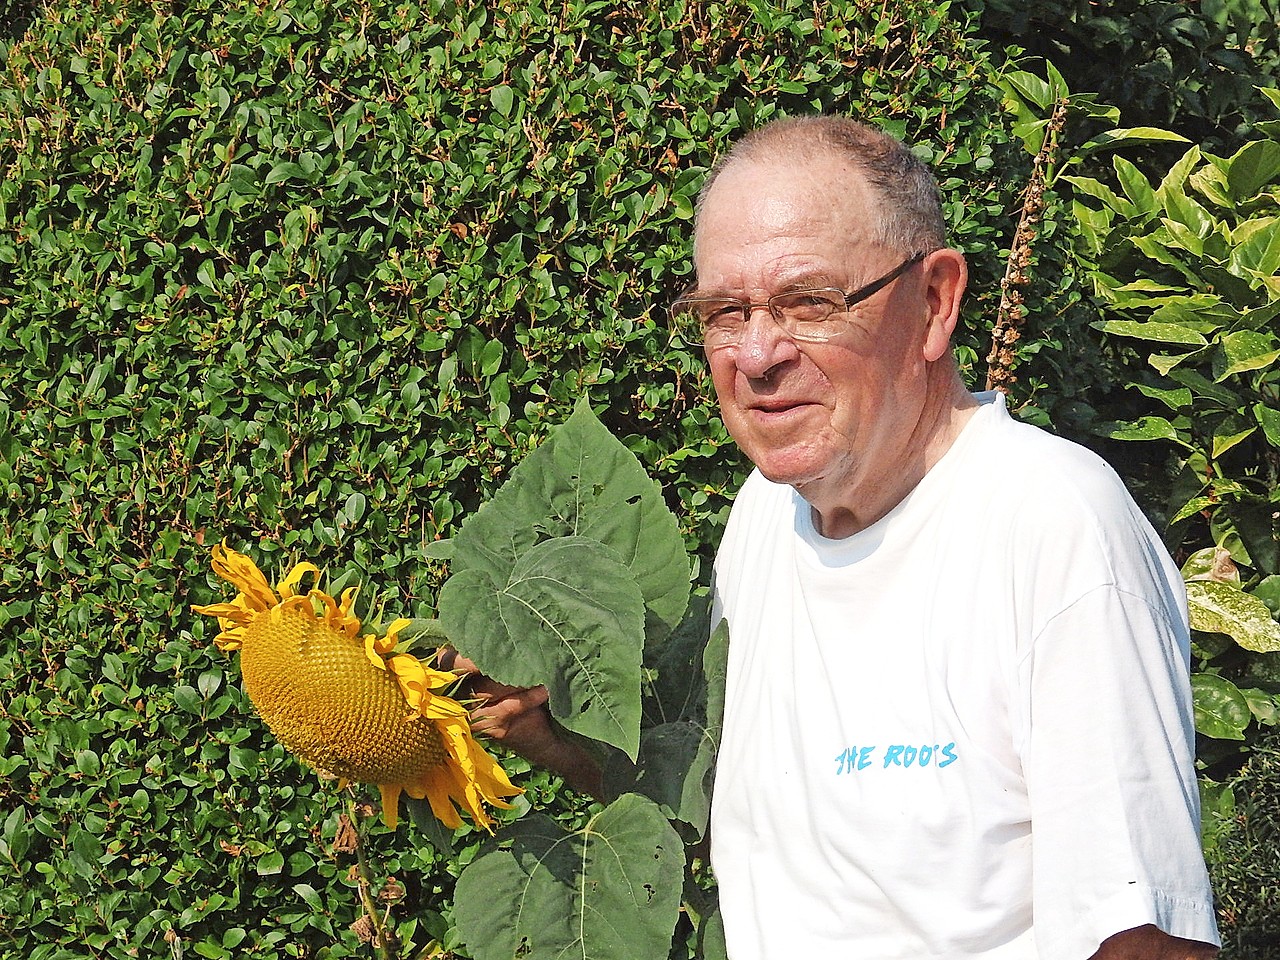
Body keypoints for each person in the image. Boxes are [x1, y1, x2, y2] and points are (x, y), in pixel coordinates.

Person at [449, 115, 1221, 960]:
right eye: (723, 312)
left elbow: (1145, 936)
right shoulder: (765, 517)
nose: (755, 354)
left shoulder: (1053, 528)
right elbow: (763, 844)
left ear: (935, 301)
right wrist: (550, 739)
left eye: (807, 303)